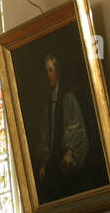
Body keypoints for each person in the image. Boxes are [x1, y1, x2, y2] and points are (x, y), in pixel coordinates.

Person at [31, 53, 89, 203]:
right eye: (46, 71)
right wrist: (43, 162)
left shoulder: (68, 98)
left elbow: (77, 128)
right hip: (53, 160)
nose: (48, 75)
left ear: (57, 72)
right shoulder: (47, 105)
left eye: (50, 70)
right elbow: (46, 137)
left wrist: (70, 152)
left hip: (67, 161)